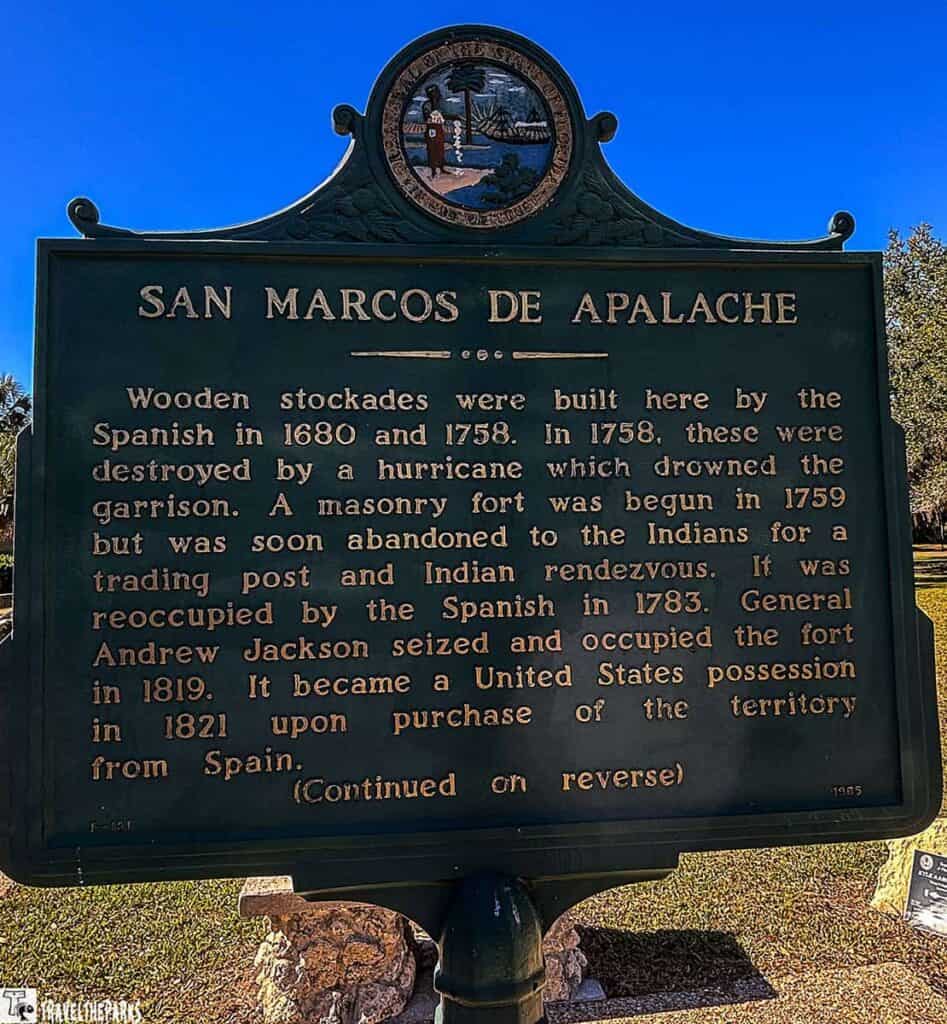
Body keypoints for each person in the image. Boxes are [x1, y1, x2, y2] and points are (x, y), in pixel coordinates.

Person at [425, 109, 446, 177]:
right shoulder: (431, 125)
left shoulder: (438, 125)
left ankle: (441, 168)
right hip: (433, 142)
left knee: (440, 154)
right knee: (433, 155)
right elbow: (430, 134)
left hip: (439, 142)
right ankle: (433, 171)